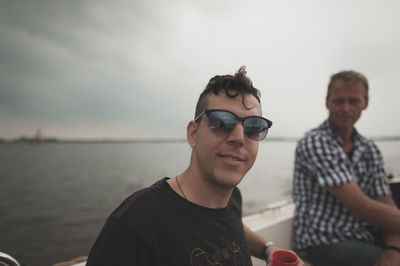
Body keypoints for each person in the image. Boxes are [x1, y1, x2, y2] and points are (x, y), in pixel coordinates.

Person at [86, 66, 303, 266]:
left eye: (254, 127)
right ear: (193, 133)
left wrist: (268, 249)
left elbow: (228, 224)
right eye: (222, 122)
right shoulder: (135, 224)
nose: (238, 137)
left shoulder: (232, 198)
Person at [292, 70, 400, 266]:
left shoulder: (369, 149)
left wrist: (394, 247)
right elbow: (361, 208)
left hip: (362, 235)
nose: (346, 108)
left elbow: (384, 200)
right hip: (322, 242)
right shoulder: (315, 141)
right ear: (327, 102)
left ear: (365, 103)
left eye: (354, 101)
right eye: (339, 101)